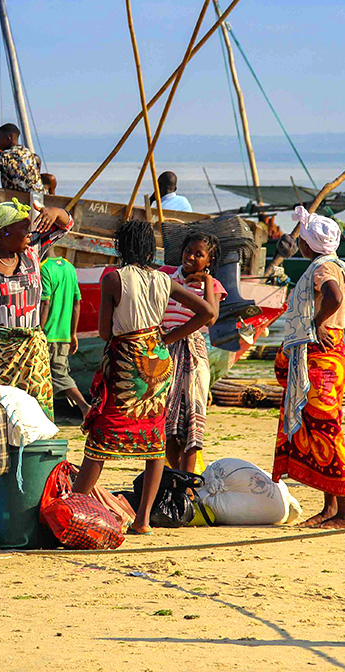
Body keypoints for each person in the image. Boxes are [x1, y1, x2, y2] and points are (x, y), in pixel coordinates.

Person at [73, 221, 214, 534]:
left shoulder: (113, 278)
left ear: (122, 248)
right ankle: (144, 520)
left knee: (103, 434)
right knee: (154, 439)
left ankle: (76, 505)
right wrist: (169, 336)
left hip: (127, 359)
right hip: (158, 359)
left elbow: (105, 332)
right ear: (151, 249)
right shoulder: (164, 280)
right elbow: (208, 313)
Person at [273, 207, 345, 529]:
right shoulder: (340, 266)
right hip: (333, 351)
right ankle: (330, 508)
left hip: (322, 356)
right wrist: (337, 318)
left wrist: (318, 322)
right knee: (319, 428)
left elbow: (332, 296)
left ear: (306, 245)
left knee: (327, 430)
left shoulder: (321, 269)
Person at [0, 199, 74, 419]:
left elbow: (66, 224)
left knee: (34, 419)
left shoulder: (32, 250)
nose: (29, 232)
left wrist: (54, 211)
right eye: (24, 227)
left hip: (30, 355)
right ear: (4, 232)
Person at [162, 232, 225, 472]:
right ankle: (176, 474)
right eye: (188, 251)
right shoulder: (166, 275)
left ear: (209, 261)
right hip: (165, 349)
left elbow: (210, 317)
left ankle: (186, 482)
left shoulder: (213, 286)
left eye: (199, 255)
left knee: (191, 419)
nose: (190, 257)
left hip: (192, 352)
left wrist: (207, 281)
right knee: (167, 419)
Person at [38, 249, 90, 415]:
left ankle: (84, 407)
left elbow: (45, 303)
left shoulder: (43, 268)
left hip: (48, 334)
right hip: (63, 335)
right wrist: (72, 334)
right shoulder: (69, 267)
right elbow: (77, 303)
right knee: (54, 374)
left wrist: (38, 330)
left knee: (56, 375)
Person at [0, 123, 42, 198]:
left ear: (8, 138)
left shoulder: (5, 156)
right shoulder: (28, 153)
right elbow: (13, 160)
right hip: (38, 198)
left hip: (18, 201)